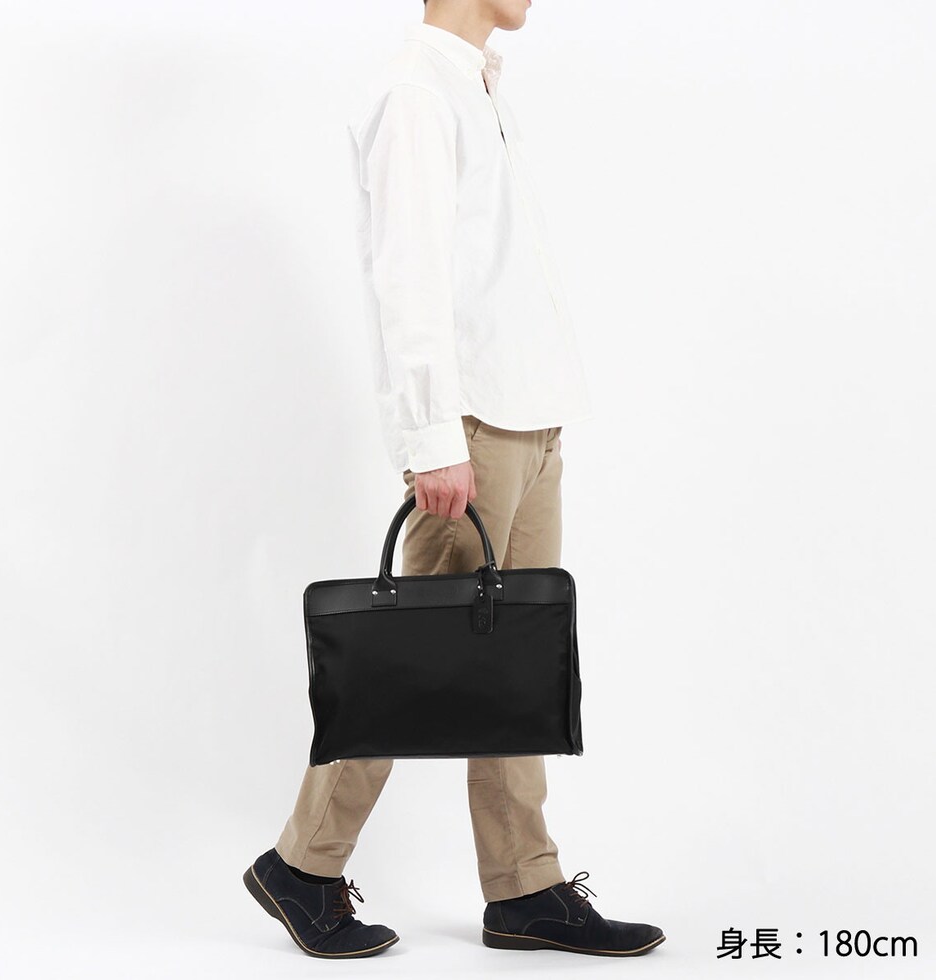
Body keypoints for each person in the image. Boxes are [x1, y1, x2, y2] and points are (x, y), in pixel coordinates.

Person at [242, 0, 666, 959]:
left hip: (529, 417)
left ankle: (525, 887)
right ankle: (301, 864)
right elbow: (411, 275)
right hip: (471, 430)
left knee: (516, 667)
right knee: (407, 662)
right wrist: (434, 435)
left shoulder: (474, 85)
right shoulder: (416, 91)